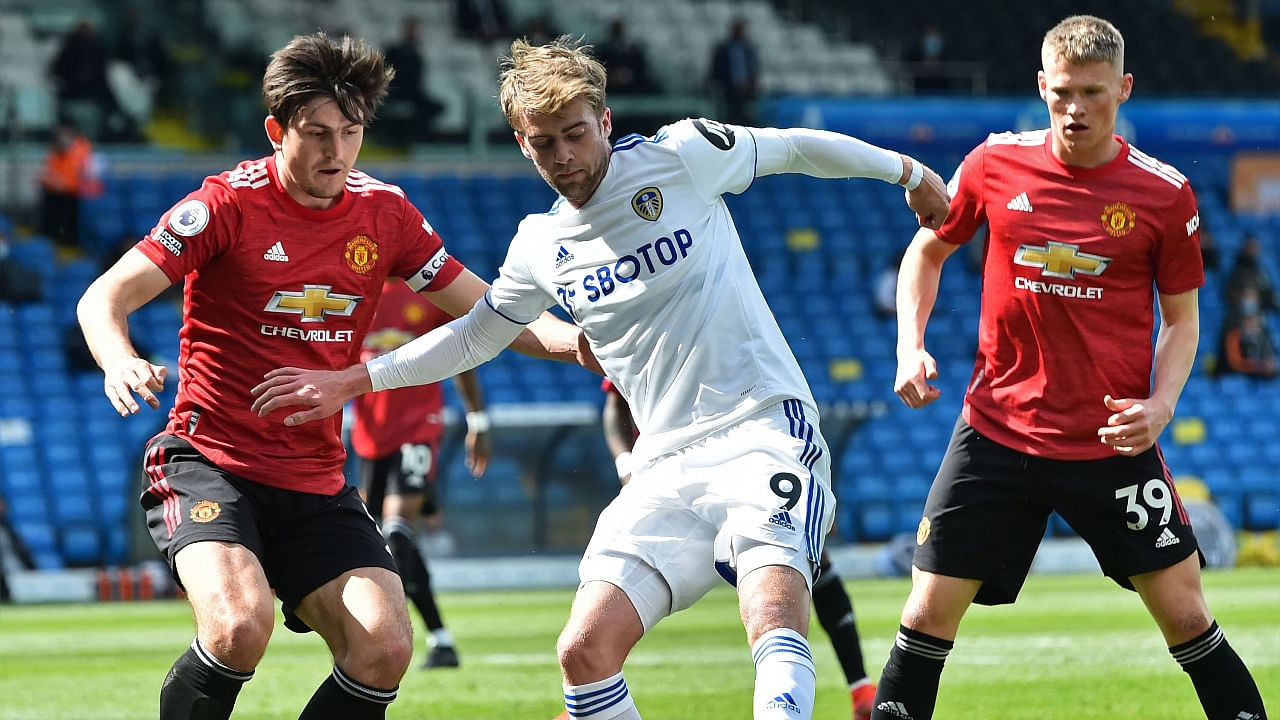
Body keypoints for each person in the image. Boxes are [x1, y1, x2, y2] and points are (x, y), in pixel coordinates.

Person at [248, 35, 948, 720]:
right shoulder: (539, 247)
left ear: (605, 122)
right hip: (664, 462)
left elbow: (795, 146)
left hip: (760, 424)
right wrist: (355, 381)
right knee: (583, 651)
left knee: (770, 610)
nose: (564, 156)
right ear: (521, 145)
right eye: (543, 143)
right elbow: (475, 336)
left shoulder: (683, 155)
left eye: (576, 134)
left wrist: (910, 176)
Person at [75, 32, 590, 720]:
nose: (335, 152)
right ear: (275, 130)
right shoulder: (225, 206)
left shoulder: (386, 214)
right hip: (209, 461)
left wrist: (573, 342)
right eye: (316, 133)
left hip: (315, 479)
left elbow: (490, 310)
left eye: (349, 134)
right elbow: (103, 297)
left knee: (383, 647)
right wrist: (120, 359)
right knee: (238, 627)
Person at [882, 15, 1268, 720]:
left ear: (1123, 89)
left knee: (1186, 616)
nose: (1075, 109)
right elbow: (926, 252)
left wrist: (1161, 405)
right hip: (996, 432)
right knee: (926, 613)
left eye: (1092, 92)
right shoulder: (993, 165)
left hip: (1113, 439)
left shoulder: (1165, 194)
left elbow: (1183, 322)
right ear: (1040, 86)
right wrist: (911, 343)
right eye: (1061, 92)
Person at [590, 380, 880, 720]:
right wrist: (626, 465)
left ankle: (860, 688)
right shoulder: (645, 332)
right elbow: (615, 399)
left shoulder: (733, 336)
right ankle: (595, 695)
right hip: (664, 476)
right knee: (618, 584)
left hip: (740, 461)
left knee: (801, 559)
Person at [352, 280, 493, 670]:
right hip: (370, 439)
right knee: (377, 540)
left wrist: (477, 420)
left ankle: (406, 635)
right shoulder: (354, 293)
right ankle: (441, 641)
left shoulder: (427, 295)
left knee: (396, 533)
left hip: (417, 428)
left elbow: (464, 352)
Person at [38, 121, 102, 249]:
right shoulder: (56, 151)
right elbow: (47, 175)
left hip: (79, 195)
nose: (62, 139)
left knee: (67, 204)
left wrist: (62, 183)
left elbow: (80, 179)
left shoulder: (82, 149)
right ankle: (51, 242)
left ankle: (71, 244)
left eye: (65, 135)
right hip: (58, 194)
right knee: (50, 200)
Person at [380, 17, 444, 145]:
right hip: (395, 91)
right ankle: (399, 138)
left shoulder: (417, 53)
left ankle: (419, 137)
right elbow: (387, 74)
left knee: (434, 107)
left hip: (413, 92)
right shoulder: (394, 50)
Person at [709, 18, 760, 126]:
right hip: (729, 89)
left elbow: (753, 68)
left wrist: (752, 83)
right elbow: (716, 69)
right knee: (730, 117)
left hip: (746, 90)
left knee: (746, 117)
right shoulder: (723, 48)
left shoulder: (748, 48)